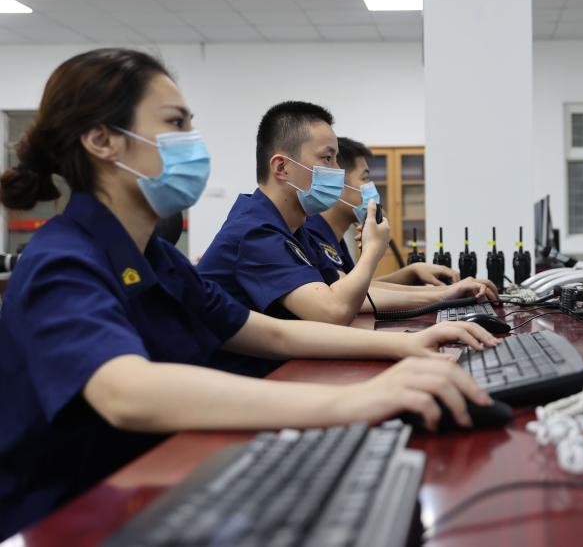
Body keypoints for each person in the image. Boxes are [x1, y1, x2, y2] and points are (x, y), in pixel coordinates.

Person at [0, 49, 497, 540]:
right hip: (68, 515)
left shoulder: (158, 257)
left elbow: (271, 333)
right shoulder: (61, 260)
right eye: (175, 123)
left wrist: (406, 345)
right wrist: (358, 400)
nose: (192, 142)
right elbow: (124, 392)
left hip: (158, 480)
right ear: (102, 140)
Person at [198, 103, 495, 328]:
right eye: (327, 158)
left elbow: (350, 293)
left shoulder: (295, 229)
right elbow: (334, 310)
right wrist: (374, 253)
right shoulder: (255, 231)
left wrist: (445, 295)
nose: (338, 172)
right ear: (281, 168)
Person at [305, 137, 499, 297]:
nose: (372, 187)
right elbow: (346, 296)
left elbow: (360, 288)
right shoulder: (313, 231)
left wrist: (410, 272)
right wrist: (443, 293)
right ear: (338, 183)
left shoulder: (334, 238)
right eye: (365, 178)